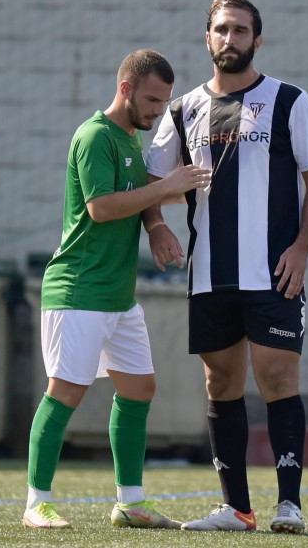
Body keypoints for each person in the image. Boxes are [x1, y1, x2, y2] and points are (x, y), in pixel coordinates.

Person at [144, 0, 308, 534]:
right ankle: (237, 508)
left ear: (257, 40)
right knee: (219, 382)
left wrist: (302, 248)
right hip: (209, 273)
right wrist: (156, 225)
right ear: (208, 38)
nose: (231, 39)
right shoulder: (182, 109)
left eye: (241, 30)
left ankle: (289, 504)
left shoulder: (289, 101)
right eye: (221, 30)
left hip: (275, 271)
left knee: (277, 376)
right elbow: (154, 184)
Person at [22, 49, 211, 530]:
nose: (157, 110)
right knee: (64, 391)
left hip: (119, 297)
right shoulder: (94, 136)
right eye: (151, 99)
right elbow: (102, 207)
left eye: (164, 102)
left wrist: (158, 223)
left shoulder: (129, 139)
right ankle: (35, 503)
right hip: (79, 290)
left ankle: (130, 502)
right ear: (125, 88)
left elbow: (141, 197)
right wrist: (168, 186)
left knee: (140, 388)